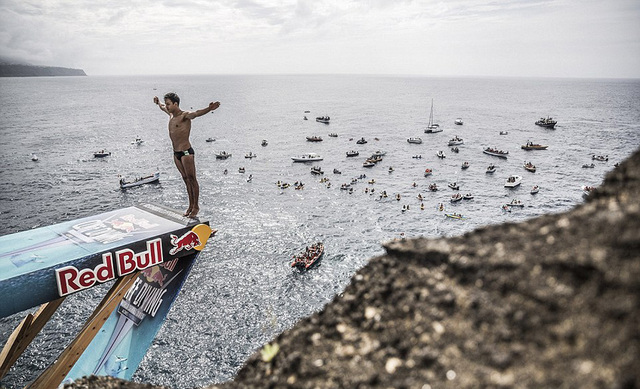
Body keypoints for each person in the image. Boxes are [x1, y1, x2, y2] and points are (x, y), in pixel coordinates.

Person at [154, 93, 220, 218]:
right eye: (166, 104)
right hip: (176, 153)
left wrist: (209, 109)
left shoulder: (184, 116)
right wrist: (158, 103)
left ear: (175, 104)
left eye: (169, 104)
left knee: (192, 179)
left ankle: (196, 206)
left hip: (186, 152)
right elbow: (162, 107)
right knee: (185, 179)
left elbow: (196, 113)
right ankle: (190, 205)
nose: (167, 106)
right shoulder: (171, 114)